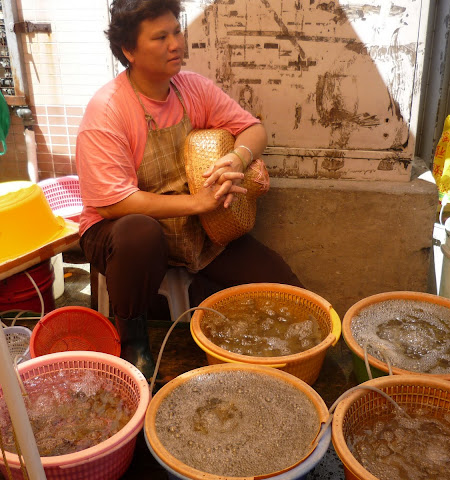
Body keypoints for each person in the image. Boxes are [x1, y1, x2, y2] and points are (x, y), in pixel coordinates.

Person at [76, 0, 303, 380]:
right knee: (139, 232)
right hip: (118, 233)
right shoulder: (108, 110)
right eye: (160, 37)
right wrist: (198, 201)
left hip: (193, 226)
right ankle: (133, 342)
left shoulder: (191, 88)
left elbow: (254, 129)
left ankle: (201, 295)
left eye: (177, 31)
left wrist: (238, 159)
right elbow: (114, 202)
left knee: (286, 290)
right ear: (129, 51)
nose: (175, 44)